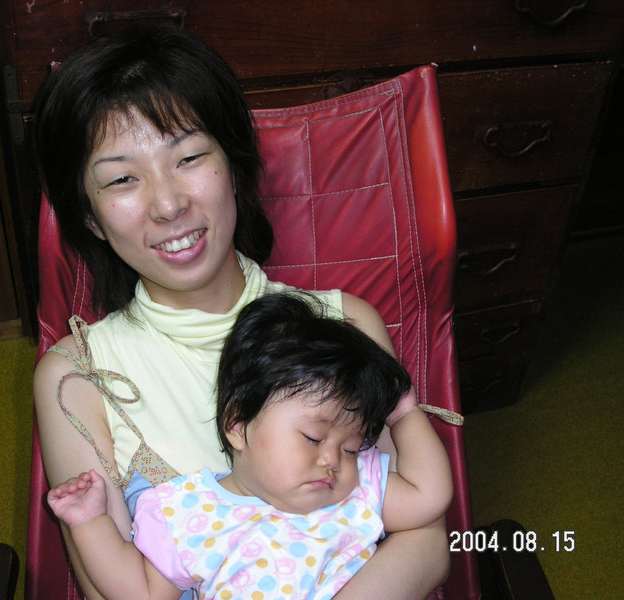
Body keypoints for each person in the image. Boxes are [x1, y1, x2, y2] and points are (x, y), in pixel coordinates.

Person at [33, 24, 451, 600]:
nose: (168, 204)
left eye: (188, 157)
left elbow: (424, 542)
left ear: (233, 165)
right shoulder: (77, 376)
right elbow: (116, 592)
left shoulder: (345, 327)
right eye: (123, 178)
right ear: (90, 218)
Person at [48, 292, 453, 600]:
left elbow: (429, 497)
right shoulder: (189, 512)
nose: (332, 459)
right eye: (312, 439)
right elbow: (139, 592)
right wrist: (90, 523)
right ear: (238, 425)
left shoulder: (355, 488)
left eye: (349, 448)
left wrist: (405, 415)